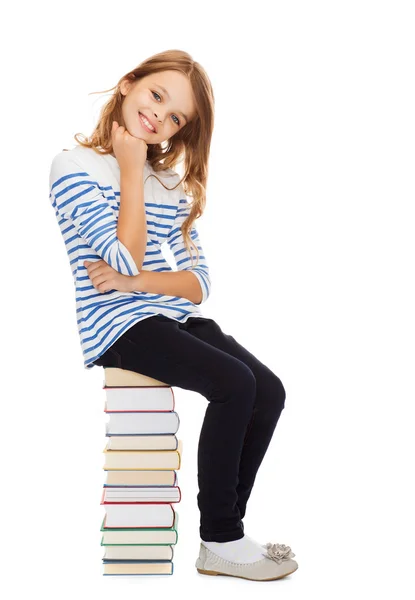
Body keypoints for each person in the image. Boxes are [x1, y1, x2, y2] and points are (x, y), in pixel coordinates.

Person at [48, 49, 298, 581]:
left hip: (169, 316)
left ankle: (227, 535)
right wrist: (131, 171)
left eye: (175, 116)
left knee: (268, 389)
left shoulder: (174, 186)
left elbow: (198, 284)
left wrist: (136, 282)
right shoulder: (73, 167)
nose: (159, 117)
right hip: (118, 327)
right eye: (156, 96)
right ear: (127, 84)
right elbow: (123, 255)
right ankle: (222, 537)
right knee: (233, 383)